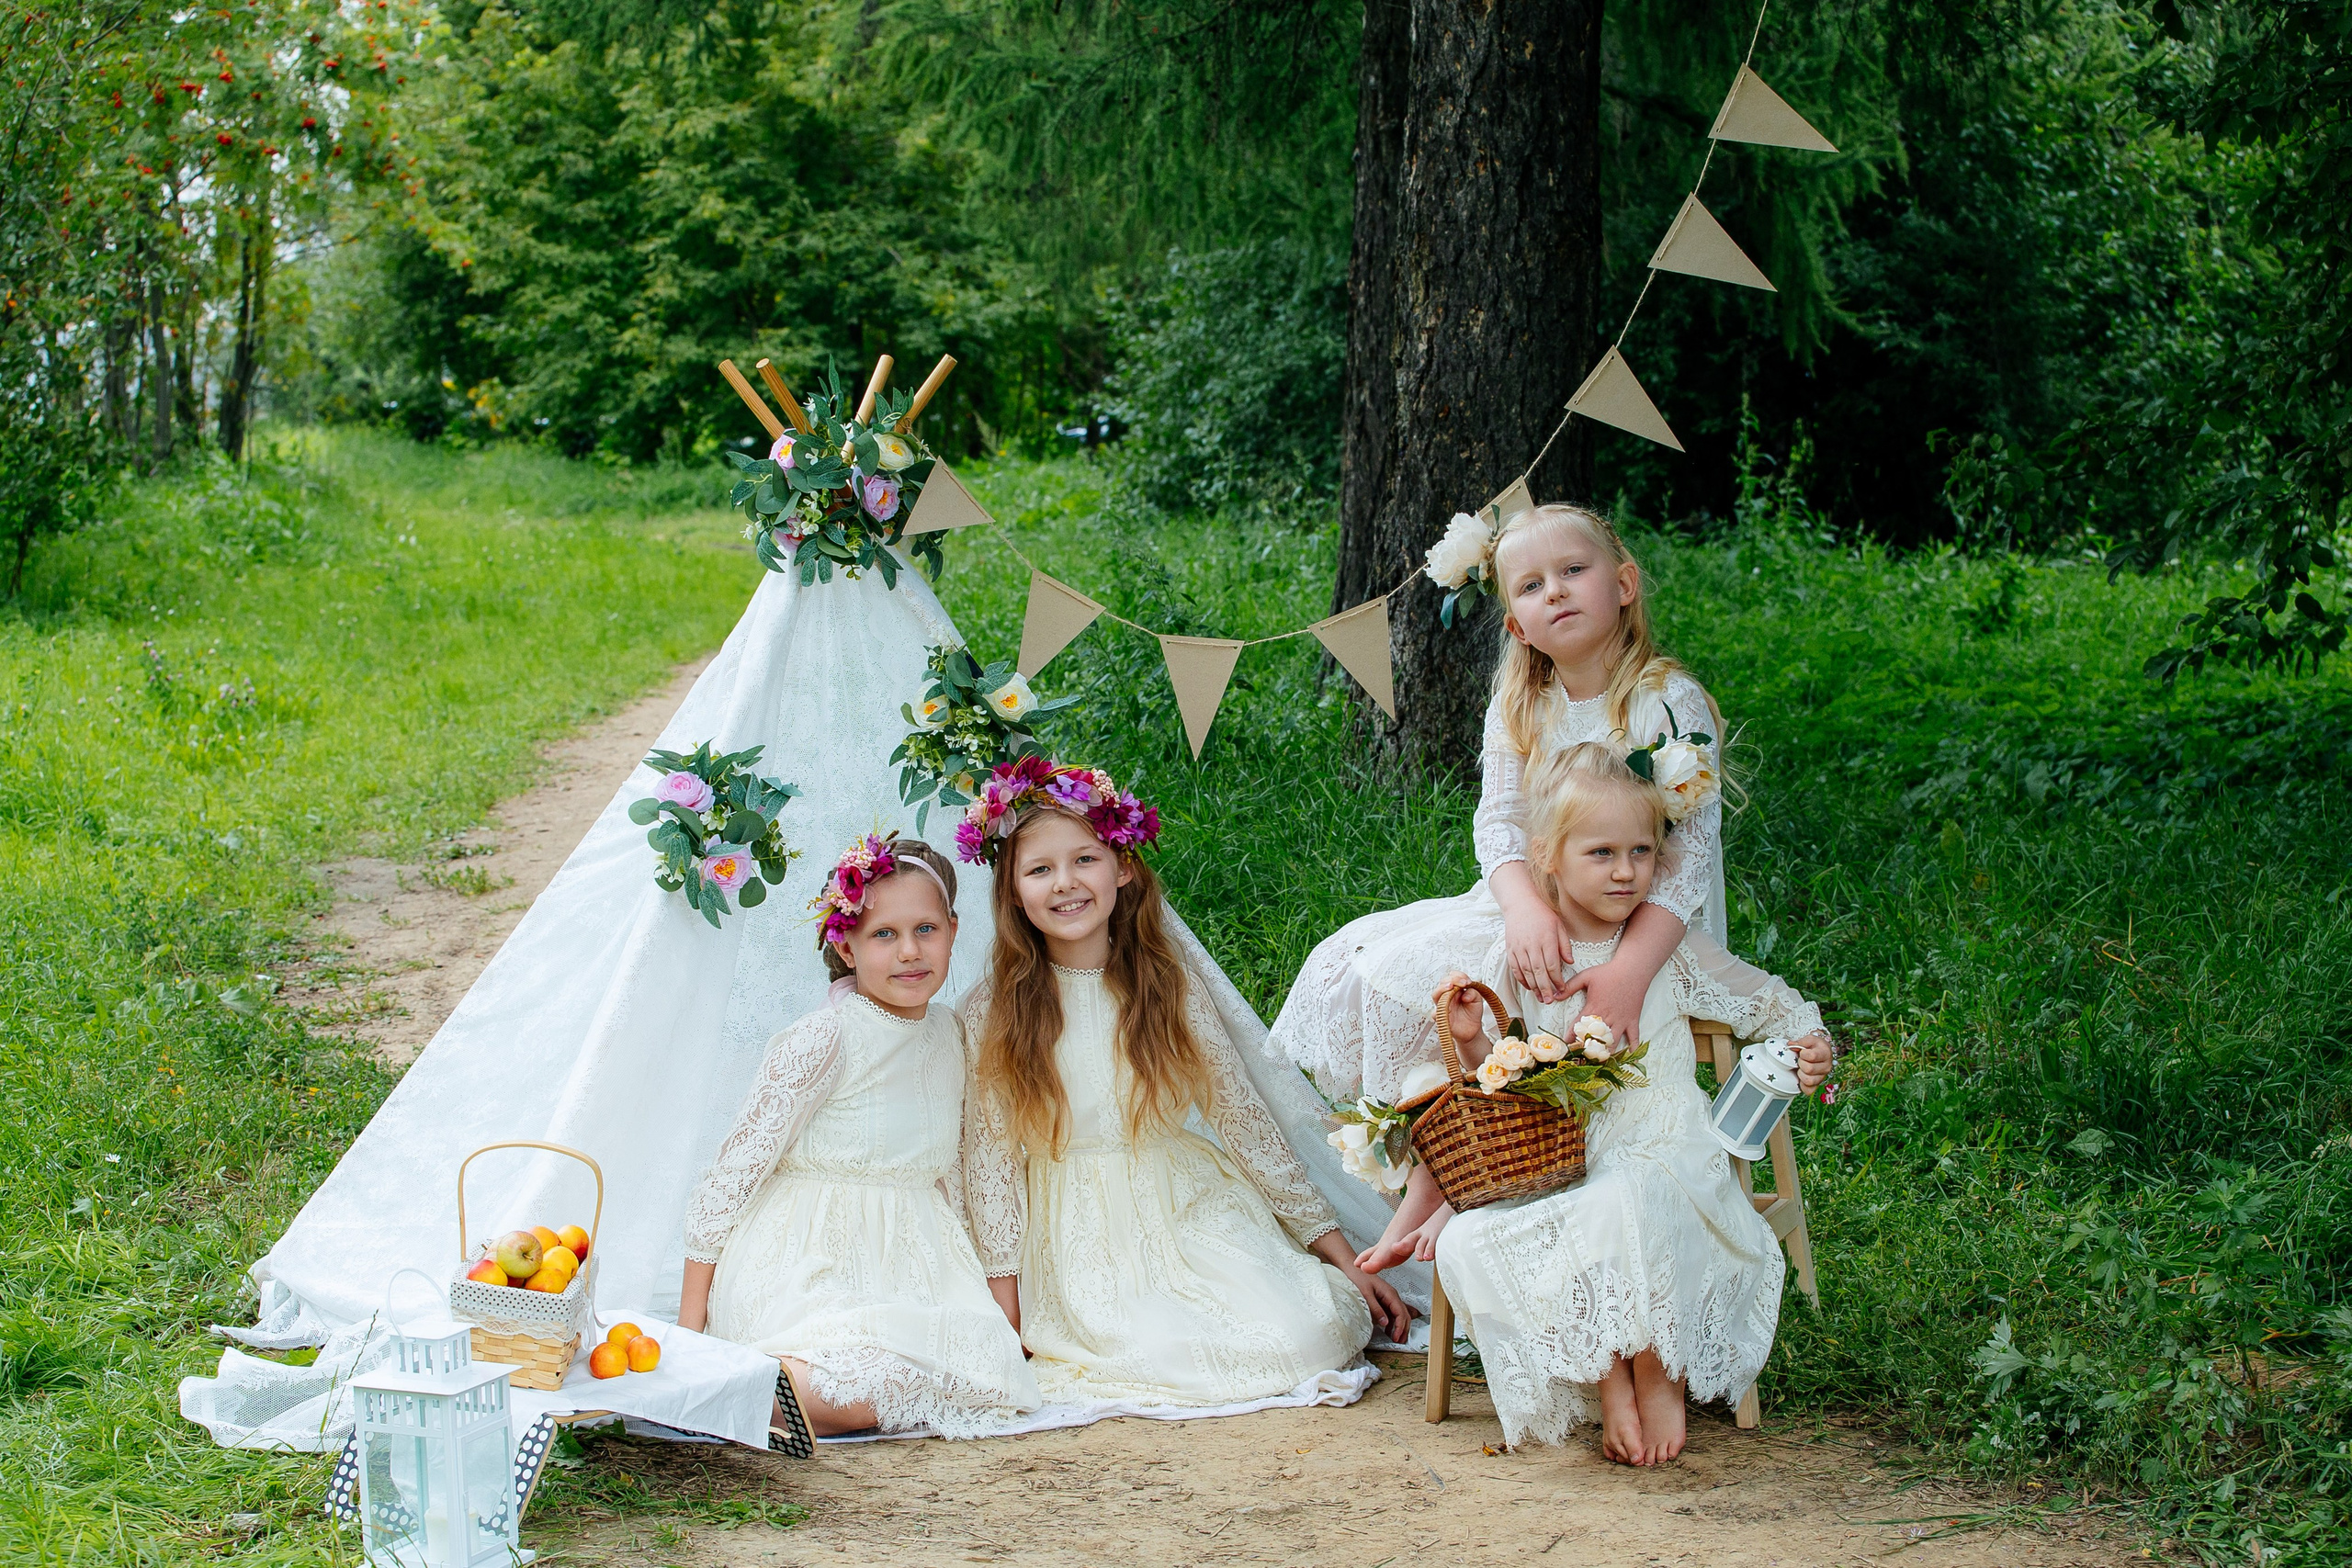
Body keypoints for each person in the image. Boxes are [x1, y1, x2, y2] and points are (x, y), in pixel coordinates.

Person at [1357, 744, 1831, 1465]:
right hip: (1558, 1159)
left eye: (1641, 850)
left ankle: (1657, 1370)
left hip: (1662, 1146)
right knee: (1476, 1237)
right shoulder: (1524, 958)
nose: (1625, 870)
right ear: (1547, 854)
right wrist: (1470, 1040)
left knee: (1623, 1198)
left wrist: (1810, 1038)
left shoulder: (1668, 949)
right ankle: (1610, 1372)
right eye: (1602, 851)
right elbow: (1500, 1088)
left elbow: (1766, 998)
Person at [956, 759, 1413, 1404]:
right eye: (1039, 869)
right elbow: (991, 1164)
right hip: (1079, 1232)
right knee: (1159, 1350)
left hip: (1185, 1203)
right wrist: (1007, 1307)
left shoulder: (1165, 984)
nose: (1065, 883)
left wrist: (1340, 1255)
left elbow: (1244, 1120)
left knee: (1305, 1332)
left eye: (1084, 859)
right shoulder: (993, 1009)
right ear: (1013, 892)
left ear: (1121, 868)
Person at [1271, 503, 1728, 1103]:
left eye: (1573, 570)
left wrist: (1628, 972)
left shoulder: (1666, 702)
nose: (1557, 592)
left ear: (1623, 584)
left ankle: (1508, 1131)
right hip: (1535, 901)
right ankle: (1443, 1149)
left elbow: (1686, 862)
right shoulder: (1520, 704)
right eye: (1533, 586)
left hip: (1639, 921)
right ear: (1517, 626)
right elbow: (1499, 821)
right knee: (1368, 964)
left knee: (1488, 977)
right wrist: (1523, 910)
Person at [675, 835, 1039, 1452]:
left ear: (953, 930)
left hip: (912, 1260)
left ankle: (772, 1393)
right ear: (844, 945)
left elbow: (977, 1168)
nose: (909, 951)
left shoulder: (952, 1032)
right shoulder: (824, 1038)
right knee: (871, 1381)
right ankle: (748, 1383)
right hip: (809, 1261)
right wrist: (689, 1333)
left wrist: (1004, 1310)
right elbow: (730, 1177)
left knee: (986, 1375)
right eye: (883, 935)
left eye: (926, 928)